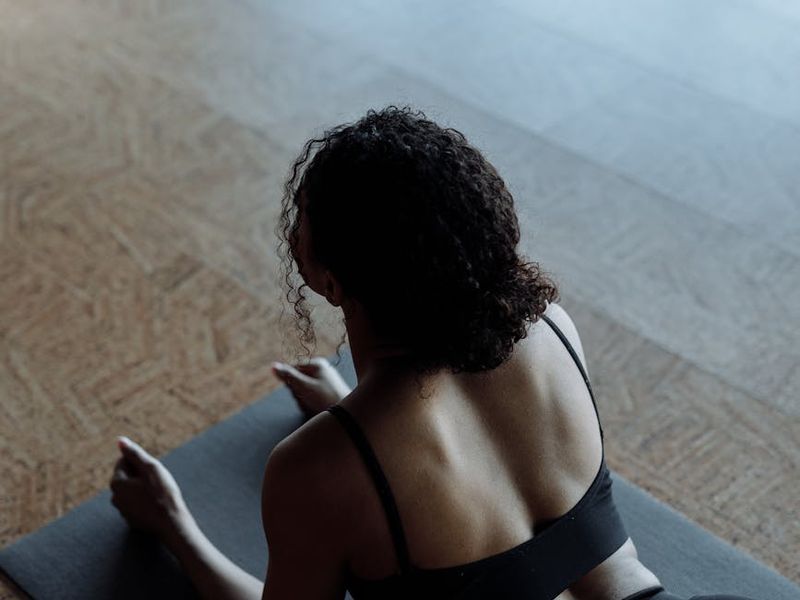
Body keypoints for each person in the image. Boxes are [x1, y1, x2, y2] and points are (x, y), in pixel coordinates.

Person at [109, 106, 757, 600]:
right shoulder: (552, 328)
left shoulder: (315, 470)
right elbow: (529, 539)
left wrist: (176, 528)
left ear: (331, 279)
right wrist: (354, 419)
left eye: (302, 216)